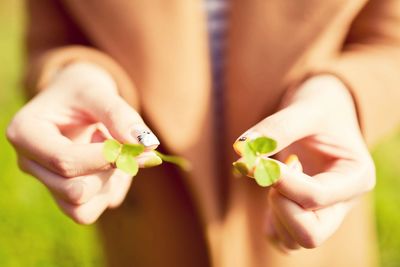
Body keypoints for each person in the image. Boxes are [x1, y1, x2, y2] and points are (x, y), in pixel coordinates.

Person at [6, 0, 400, 266]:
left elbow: (388, 41)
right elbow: (52, 37)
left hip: (313, 225)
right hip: (150, 232)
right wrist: (75, 73)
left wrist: (341, 93)